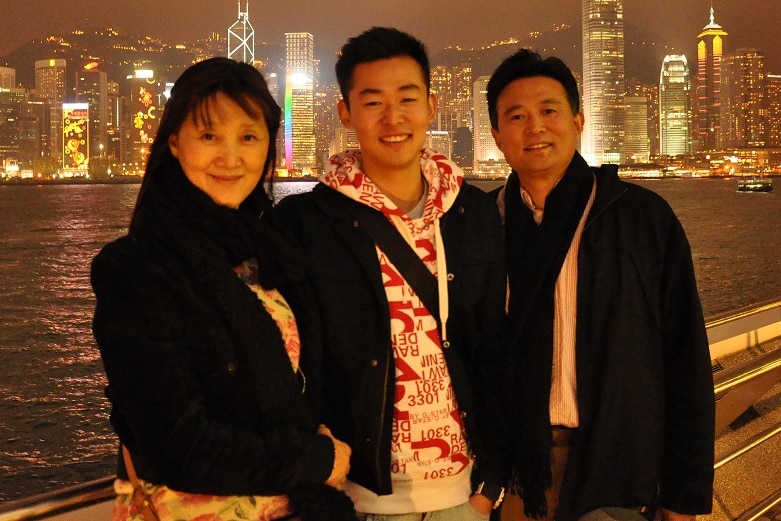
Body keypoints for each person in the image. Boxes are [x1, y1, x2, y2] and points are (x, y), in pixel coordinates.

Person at [90, 57, 354, 521]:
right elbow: (178, 446)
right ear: (175, 142)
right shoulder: (137, 269)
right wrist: (316, 459)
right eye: (209, 136)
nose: (230, 158)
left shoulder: (267, 255)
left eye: (248, 138)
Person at [273, 27, 509, 521]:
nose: (393, 117)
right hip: (354, 497)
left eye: (407, 98)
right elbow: (287, 362)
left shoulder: (472, 213)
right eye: (373, 101)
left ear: (432, 104)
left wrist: (490, 483)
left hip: (462, 497)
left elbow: (493, 350)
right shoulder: (306, 224)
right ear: (346, 113)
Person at [485, 49, 715, 521]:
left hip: (618, 466)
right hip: (503, 474)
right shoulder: (478, 225)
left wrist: (683, 495)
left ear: (577, 120)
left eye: (549, 110)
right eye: (516, 116)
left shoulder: (641, 220)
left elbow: (685, 357)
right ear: (496, 135)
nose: (535, 127)